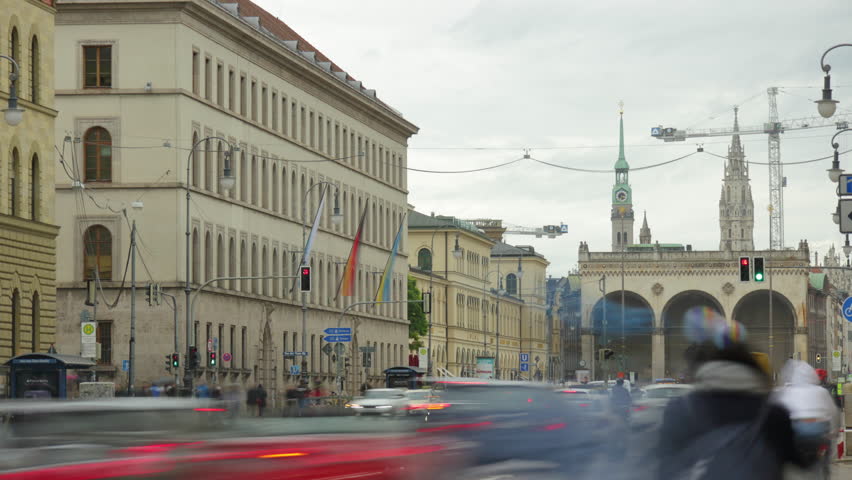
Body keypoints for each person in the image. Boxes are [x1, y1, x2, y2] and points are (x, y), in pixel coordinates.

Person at [657, 340, 812, 479]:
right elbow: (799, 460)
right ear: (755, 371)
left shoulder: (681, 409)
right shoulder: (773, 414)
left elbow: (666, 468)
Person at [774, 360, 840, 479]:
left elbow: (776, 413)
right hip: (819, 431)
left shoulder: (786, 391)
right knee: (825, 452)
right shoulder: (822, 391)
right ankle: (824, 470)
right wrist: (834, 432)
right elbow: (834, 413)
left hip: (795, 432)